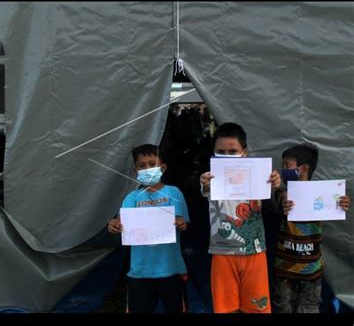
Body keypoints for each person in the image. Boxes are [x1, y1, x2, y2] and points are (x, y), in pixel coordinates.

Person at [199, 122, 281, 313]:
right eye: (221, 151)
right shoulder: (209, 178)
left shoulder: (260, 174)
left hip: (255, 251)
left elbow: (276, 194)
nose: (227, 156)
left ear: (244, 152)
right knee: (224, 308)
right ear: (213, 151)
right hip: (222, 252)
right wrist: (204, 185)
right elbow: (204, 189)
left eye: (232, 151)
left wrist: (276, 183)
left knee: (257, 308)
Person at [107, 144, 190, 313]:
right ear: (135, 171)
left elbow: (184, 224)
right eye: (142, 165)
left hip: (171, 269)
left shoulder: (174, 193)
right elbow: (121, 221)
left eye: (152, 164)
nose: (148, 168)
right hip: (140, 271)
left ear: (163, 167)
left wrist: (181, 223)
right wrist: (114, 224)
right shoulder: (132, 198)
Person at [273, 143, 350, 313]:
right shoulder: (282, 194)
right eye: (283, 166)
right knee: (283, 309)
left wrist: (341, 203)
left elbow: (335, 204)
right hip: (285, 271)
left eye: (288, 166)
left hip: (311, 272)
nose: (284, 170)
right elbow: (280, 198)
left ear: (303, 169)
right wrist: (285, 201)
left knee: (309, 309)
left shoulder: (324, 194)